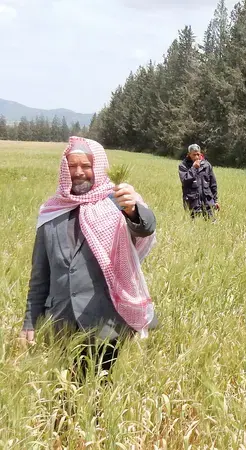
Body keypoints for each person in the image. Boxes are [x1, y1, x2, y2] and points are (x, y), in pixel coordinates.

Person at [20, 137, 157, 380]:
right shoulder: (51, 212)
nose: (79, 172)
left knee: (100, 398)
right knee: (62, 398)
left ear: (99, 167)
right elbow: (40, 274)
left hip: (106, 324)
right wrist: (30, 321)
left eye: (86, 166)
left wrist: (134, 209)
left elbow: (144, 228)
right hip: (60, 323)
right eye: (72, 166)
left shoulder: (116, 203)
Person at [179, 144, 218, 220]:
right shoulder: (183, 166)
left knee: (212, 224)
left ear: (201, 154)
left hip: (208, 202)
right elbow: (184, 181)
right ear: (189, 154)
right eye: (194, 155)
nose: (196, 157)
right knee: (194, 226)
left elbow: (213, 184)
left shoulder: (207, 165)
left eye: (198, 154)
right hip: (192, 202)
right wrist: (193, 168)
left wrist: (215, 201)